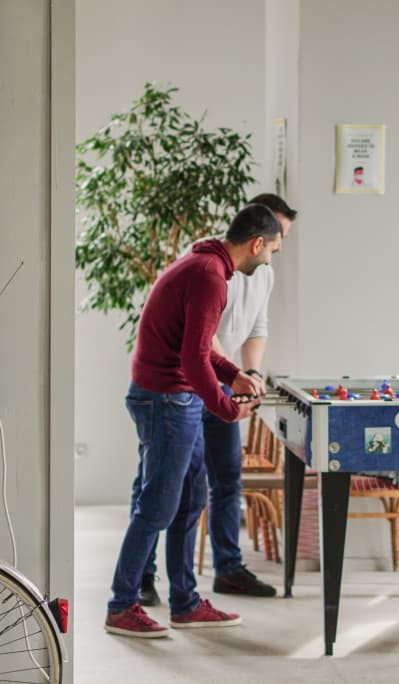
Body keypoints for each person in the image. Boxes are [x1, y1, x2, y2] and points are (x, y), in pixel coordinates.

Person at [105, 204, 283, 639]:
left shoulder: (205, 265)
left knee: (189, 501)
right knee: (158, 507)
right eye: (273, 251)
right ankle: (121, 605)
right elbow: (191, 358)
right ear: (256, 243)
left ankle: (184, 602)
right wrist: (227, 408)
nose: (270, 261)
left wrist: (233, 374)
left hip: (173, 398)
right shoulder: (209, 277)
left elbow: (199, 348)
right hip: (167, 401)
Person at [136, 194, 297, 606]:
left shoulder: (259, 272)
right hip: (189, 386)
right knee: (162, 490)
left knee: (218, 483)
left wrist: (249, 375)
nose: (275, 254)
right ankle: (140, 581)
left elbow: (257, 325)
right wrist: (225, 391)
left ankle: (219, 575)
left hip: (218, 381)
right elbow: (197, 343)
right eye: (276, 241)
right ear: (258, 236)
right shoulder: (212, 267)